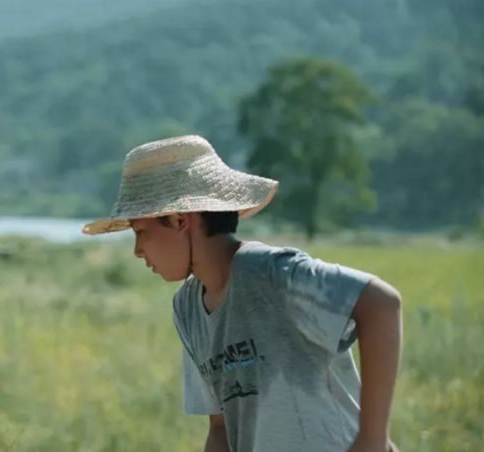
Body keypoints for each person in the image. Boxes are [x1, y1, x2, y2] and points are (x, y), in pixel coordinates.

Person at [82, 135, 402, 452]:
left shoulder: (270, 272)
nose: (138, 250)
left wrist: (371, 441)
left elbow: (381, 303)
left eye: (140, 232)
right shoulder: (187, 307)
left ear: (179, 220)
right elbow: (220, 429)